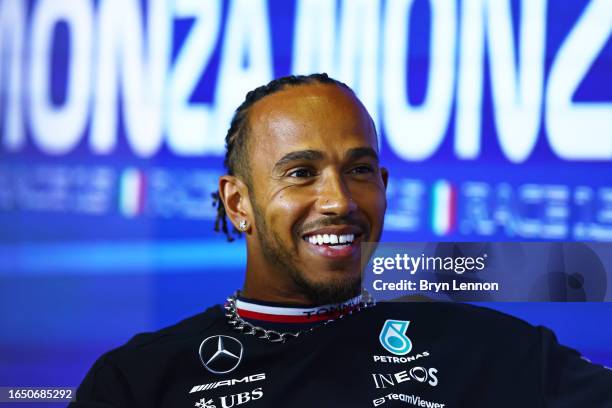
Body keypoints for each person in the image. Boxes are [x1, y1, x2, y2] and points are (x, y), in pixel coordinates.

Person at [70, 74, 612, 408]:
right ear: (238, 204)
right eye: (301, 173)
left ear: (384, 186)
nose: (339, 201)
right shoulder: (140, 381)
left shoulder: (490, 349)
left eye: (359, 170)